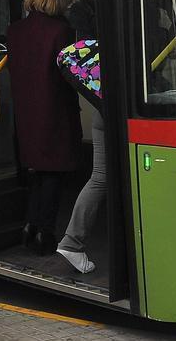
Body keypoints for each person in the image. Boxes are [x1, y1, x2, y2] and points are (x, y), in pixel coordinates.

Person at [6, 0, 80, 255]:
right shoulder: (62, 31)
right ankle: (45, 231)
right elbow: (69, 73)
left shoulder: (16, 30)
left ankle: (29, 224)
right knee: (54, 174)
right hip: (56, 109)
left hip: (26, 112)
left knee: (37, 172)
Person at [54, 38, 104, 274]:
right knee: (102, 179)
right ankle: (72, 242)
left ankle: (72, 242)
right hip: (116, 114)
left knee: (100, 178)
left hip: (103, 111)